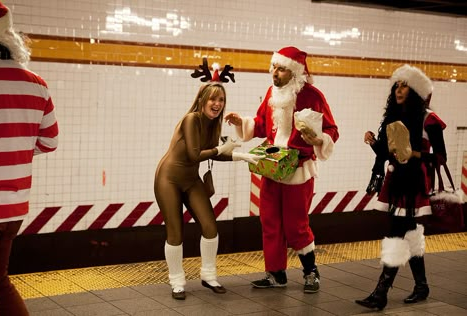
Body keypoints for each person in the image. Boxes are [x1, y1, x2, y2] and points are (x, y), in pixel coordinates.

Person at [224, 46, 339, 293]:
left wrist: (318, 140)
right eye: (274, 67)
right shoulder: (271, 93)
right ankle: (276, 274)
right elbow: (262, 124)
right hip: (272, 166)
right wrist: (241, 122)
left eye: (281, 69)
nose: (274, 73)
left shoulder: (312, 96)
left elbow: (331, 130)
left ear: (295, 72)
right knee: (270, 222)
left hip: (298, 170)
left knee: (295, 225)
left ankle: (311, 272)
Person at [154, 76, 262, 300]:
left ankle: (209, 275)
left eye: (221, 99)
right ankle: (177, 281)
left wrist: (240, 155)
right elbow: (195, 155)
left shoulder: (214, 124)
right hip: (169, 179)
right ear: (202, 100)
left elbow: (214, 153)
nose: (217, 104)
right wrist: (223, 148)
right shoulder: (191, 119)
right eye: (213, 99)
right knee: (175, 232)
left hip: (191, 179)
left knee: (210, 226)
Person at [356, 64, 446, 310]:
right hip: (396, 182)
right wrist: (374, 142)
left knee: (397, 232)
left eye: (404, 85)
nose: (399, 89)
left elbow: (440, 157)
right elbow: (388, 153)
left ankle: (381, 292)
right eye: (397, 84)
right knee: (409, 233)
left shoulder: (430, 120)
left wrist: (414, 153)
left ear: (416, 91)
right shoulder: (394, 118)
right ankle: (421, 285)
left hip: (414, 184)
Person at [0, 1, 59, 315]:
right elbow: (49, 142)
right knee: (0, 282)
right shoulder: (36, 84)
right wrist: (16, 148)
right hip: (14, 206)